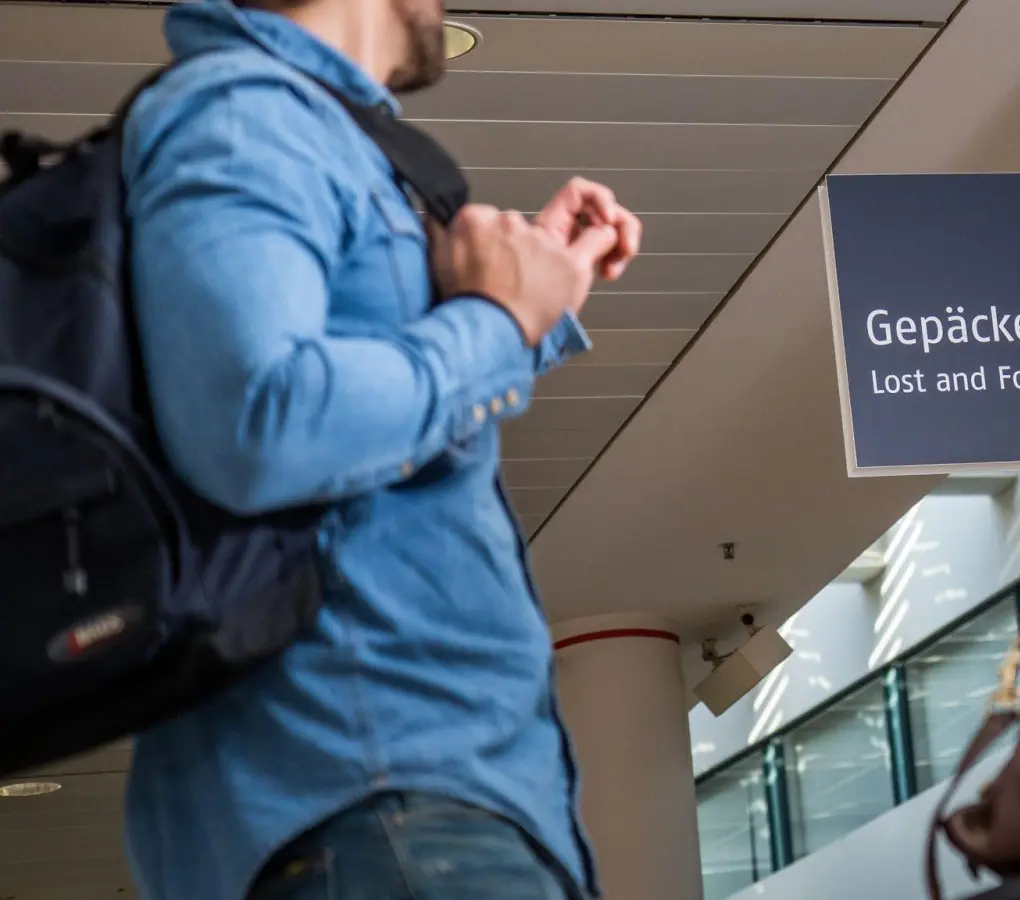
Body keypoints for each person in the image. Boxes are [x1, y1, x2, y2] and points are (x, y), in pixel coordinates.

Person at [119, 0, 643, 897]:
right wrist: (495, 320)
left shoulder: (314, 130)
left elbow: (334, 423)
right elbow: (258, 426)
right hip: (383, 801)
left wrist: (532, 307)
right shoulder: (246, 112)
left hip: (401, 808)